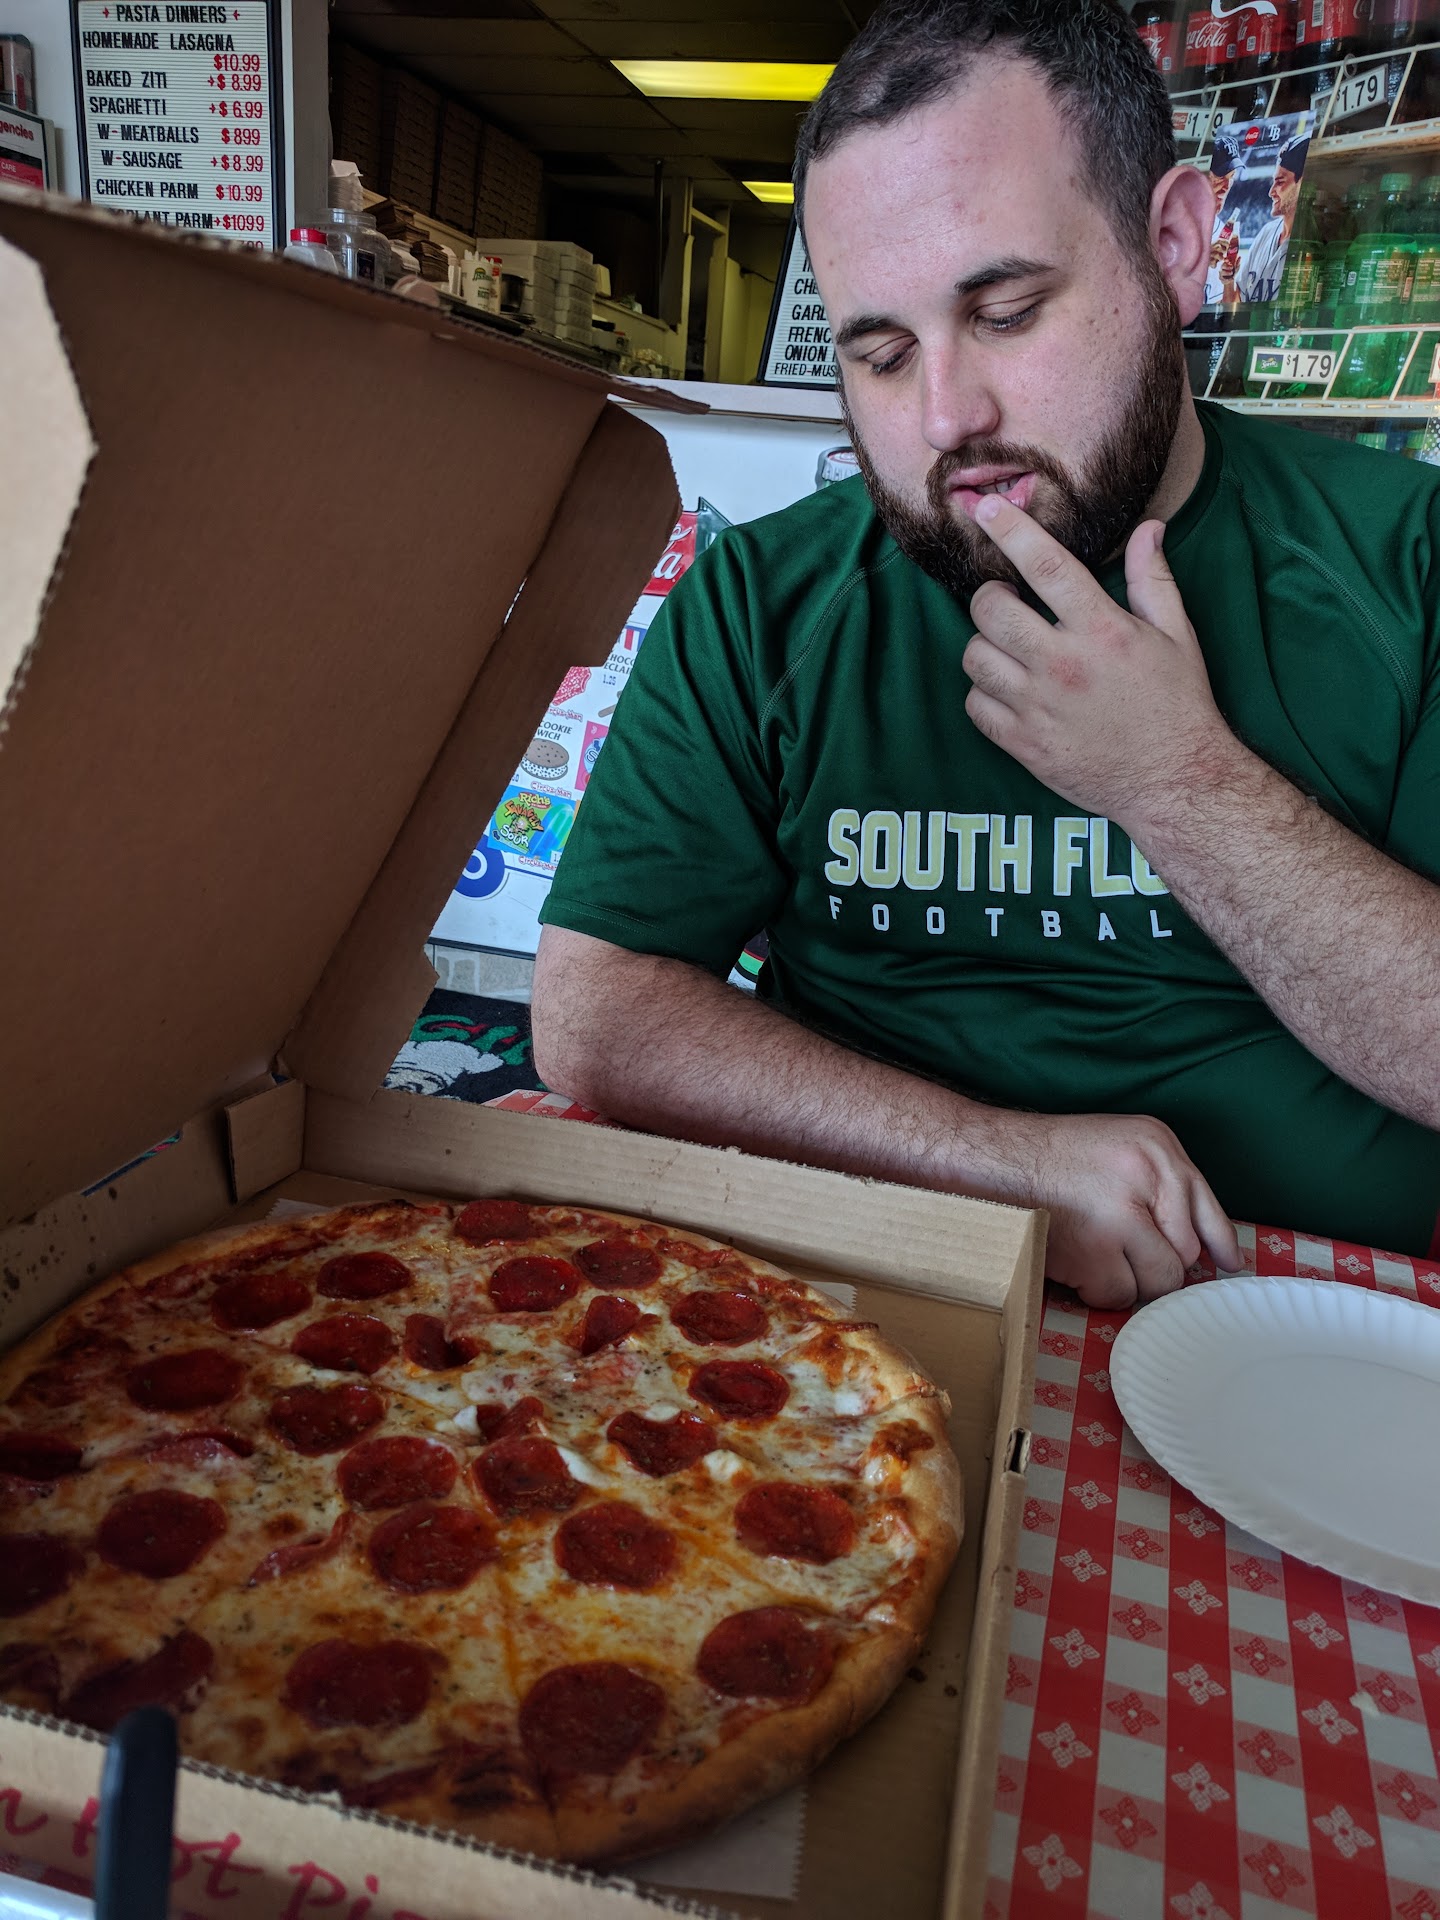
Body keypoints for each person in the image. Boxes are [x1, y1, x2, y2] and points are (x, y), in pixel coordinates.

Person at [532, 0, 1440, 1308]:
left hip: (1315, 1326)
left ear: (1176, 246)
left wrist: (1174, 781)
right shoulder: (764, 602)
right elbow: (594, 1014)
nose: (946, 418)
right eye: (882, 354)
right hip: (843, 1311)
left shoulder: (1405, 565)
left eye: (1007, 311)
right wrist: (993, 1166)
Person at [1220, 132, 1309, 305]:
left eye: (1280, 182)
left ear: (1301, 184)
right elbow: (1237, 305)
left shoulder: (1310, 241)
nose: (1271, 192)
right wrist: (1228, 282)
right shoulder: (1266, 232)